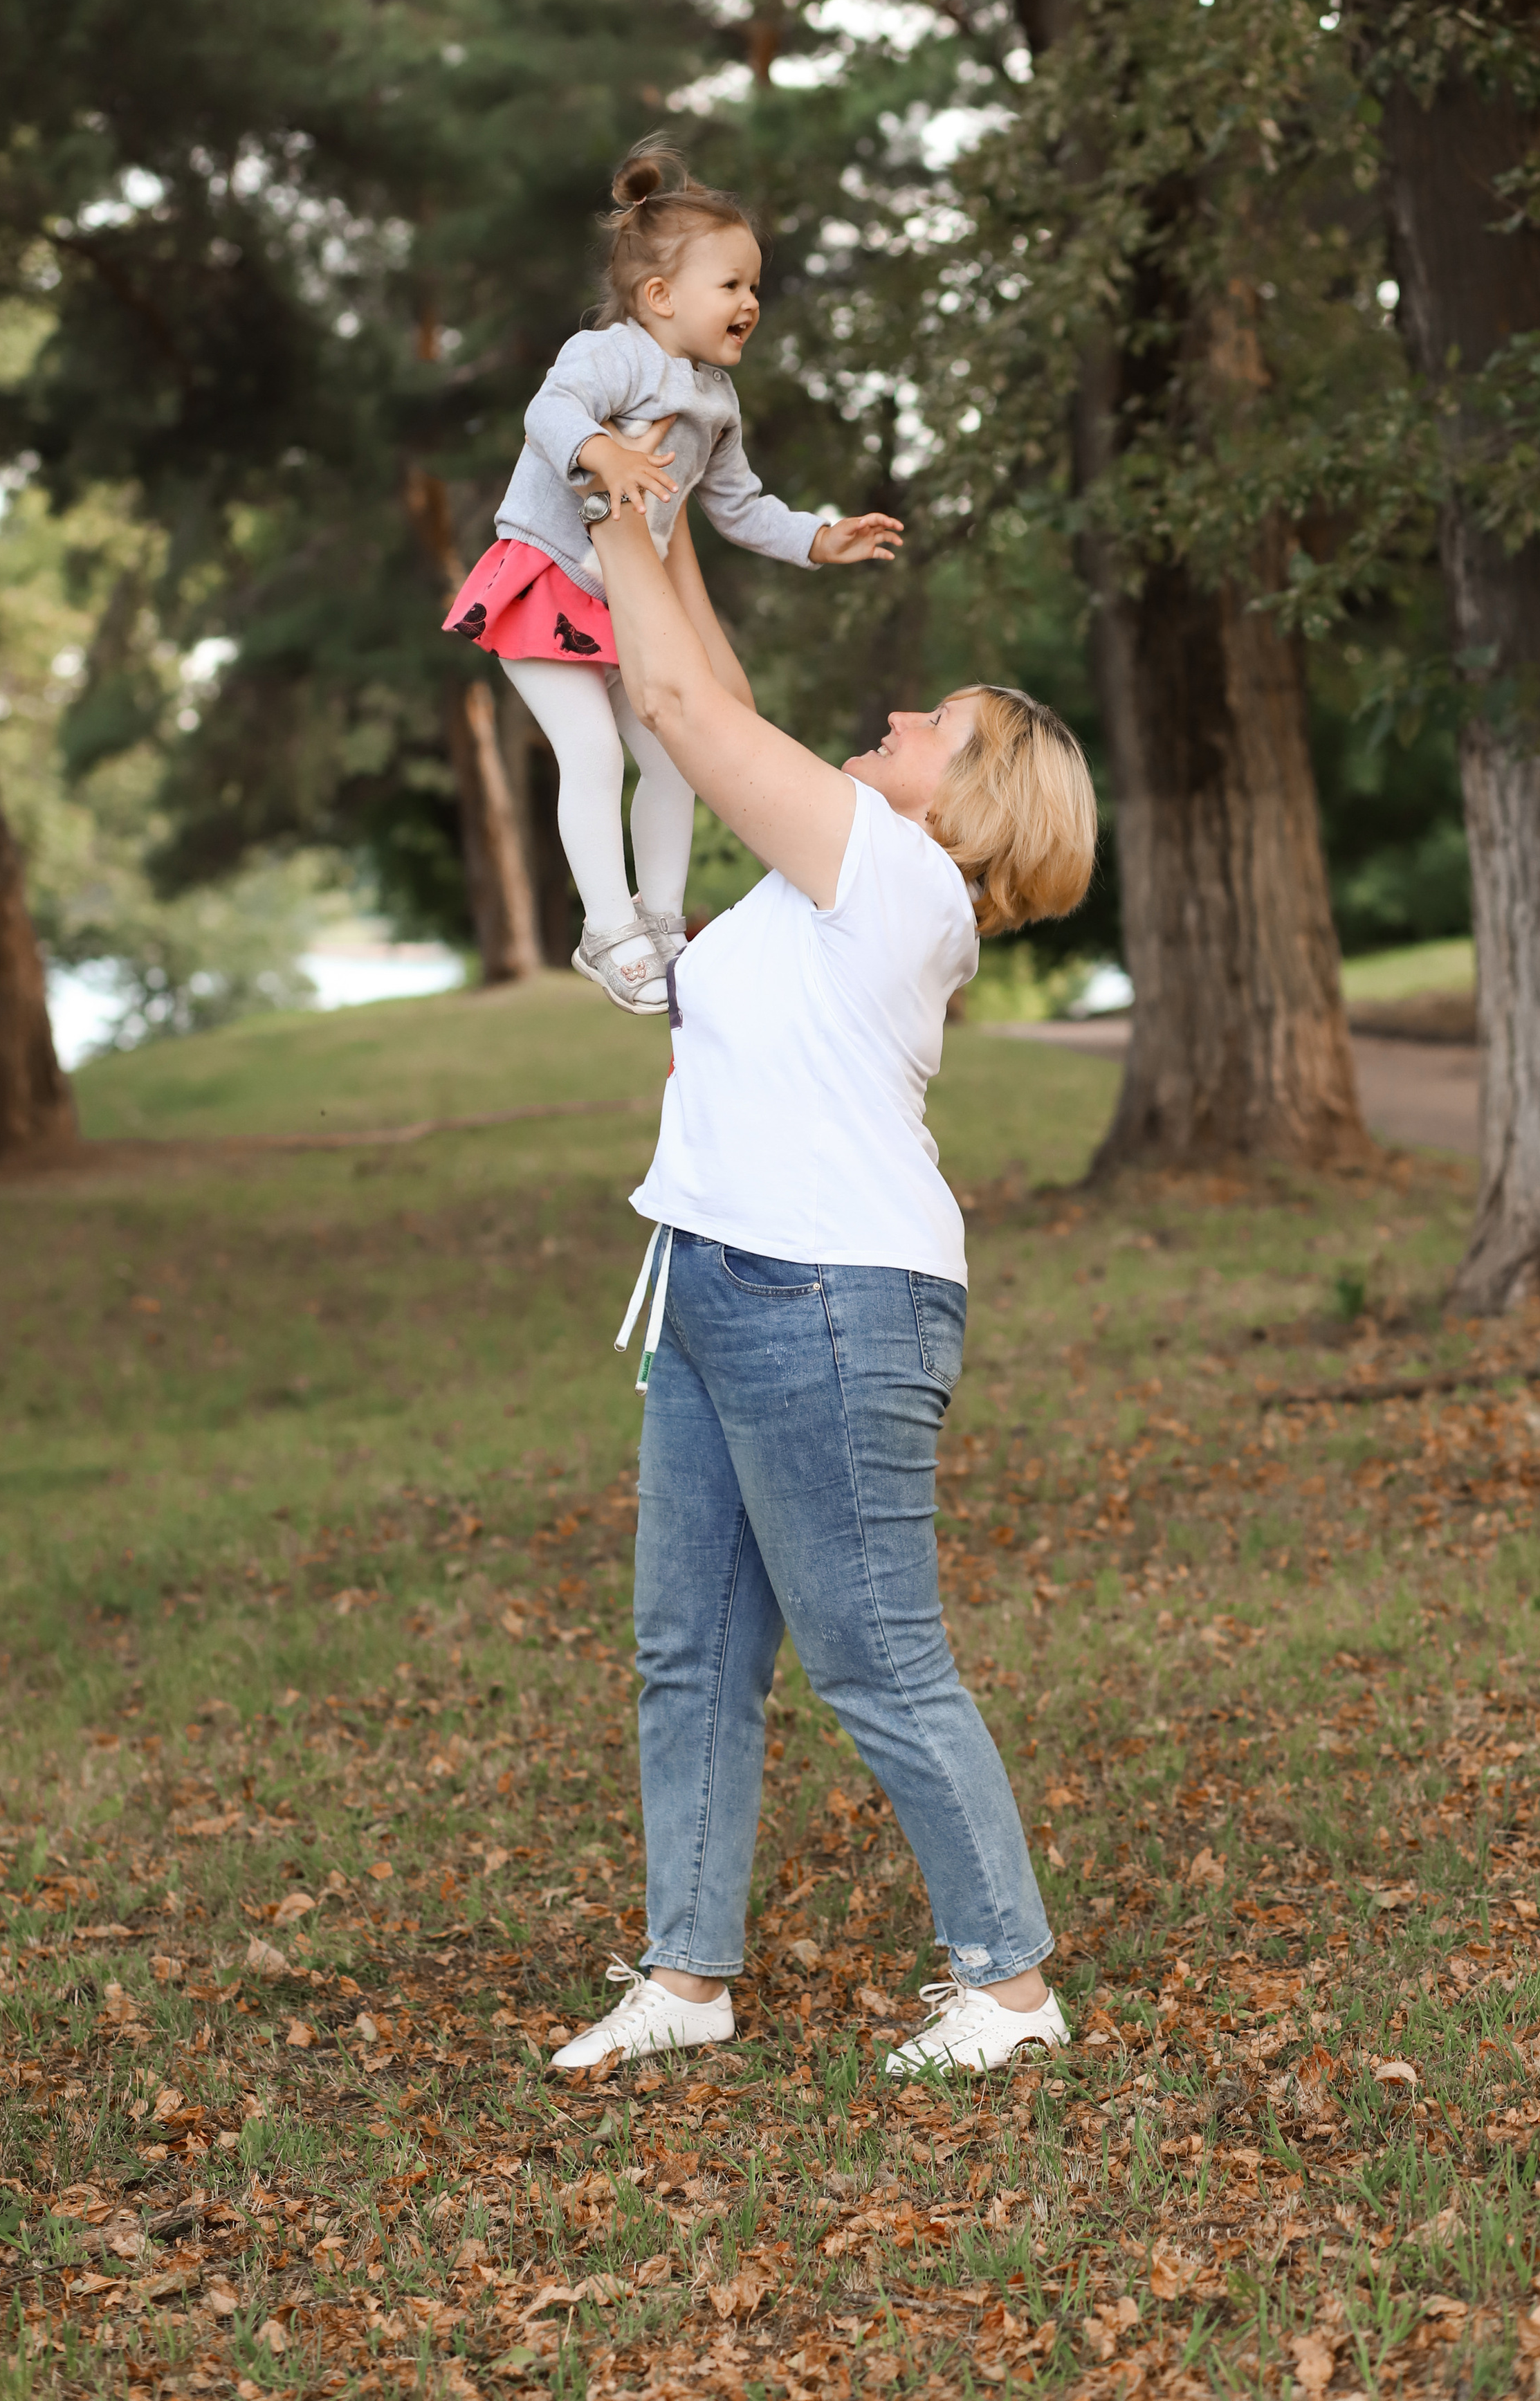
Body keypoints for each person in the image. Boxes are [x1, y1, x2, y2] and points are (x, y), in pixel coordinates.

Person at [546, 491, 1099, 2078]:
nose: (901, 714)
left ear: (969, 792)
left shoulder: (894, 879)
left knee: (875, 1652)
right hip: (718, 1280)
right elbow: (704, 679)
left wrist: (620, 508)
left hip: (833, 1300)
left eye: (943, 721)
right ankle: (687, 1974)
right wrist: (648, 526)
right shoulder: (828, 869)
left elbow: (675, 704)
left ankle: (1007, 1989)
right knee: (686, 1648)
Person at [441, 139, 901, 1014]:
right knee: (592, 751)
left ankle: (659, 921)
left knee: (674, 760)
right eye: (731, 286)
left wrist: (819, 539)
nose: (750, 303)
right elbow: (548, 410)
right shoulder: (611, 355)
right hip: (544, 580)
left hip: (620, 604)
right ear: (659, 297)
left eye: (754, 286)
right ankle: (605, 930)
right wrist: (603, 452)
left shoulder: (715, 404)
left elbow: (740, 508)